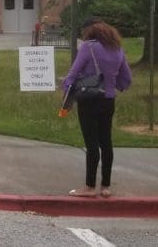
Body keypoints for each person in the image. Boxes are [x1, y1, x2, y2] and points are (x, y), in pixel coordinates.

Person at [61, 18, 132, 198]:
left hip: (89, 99)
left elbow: (73, 73)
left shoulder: (88, 47)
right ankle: (105, 186)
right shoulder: (117, 49)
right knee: (106, 142)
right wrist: (114, 84)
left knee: (91, 143)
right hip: (108, 100)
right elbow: (126, 78)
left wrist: (67, 93)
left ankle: (89, 187)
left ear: (90, 32)